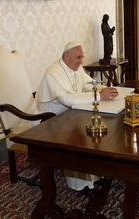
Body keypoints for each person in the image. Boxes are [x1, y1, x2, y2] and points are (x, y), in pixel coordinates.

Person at [37, 42, 118, 191]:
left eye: (82, 57)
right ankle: (80, 185)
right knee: (79, 137)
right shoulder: (53, 73)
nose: (81, 61)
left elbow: (88, 84)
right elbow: (67, 99)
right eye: (78, 57)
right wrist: (99, 95)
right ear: (66, 56)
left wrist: (104, 89)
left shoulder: (75, 67)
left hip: (70, 113)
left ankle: (96, 174)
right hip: (50, 119)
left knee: (100, 126)